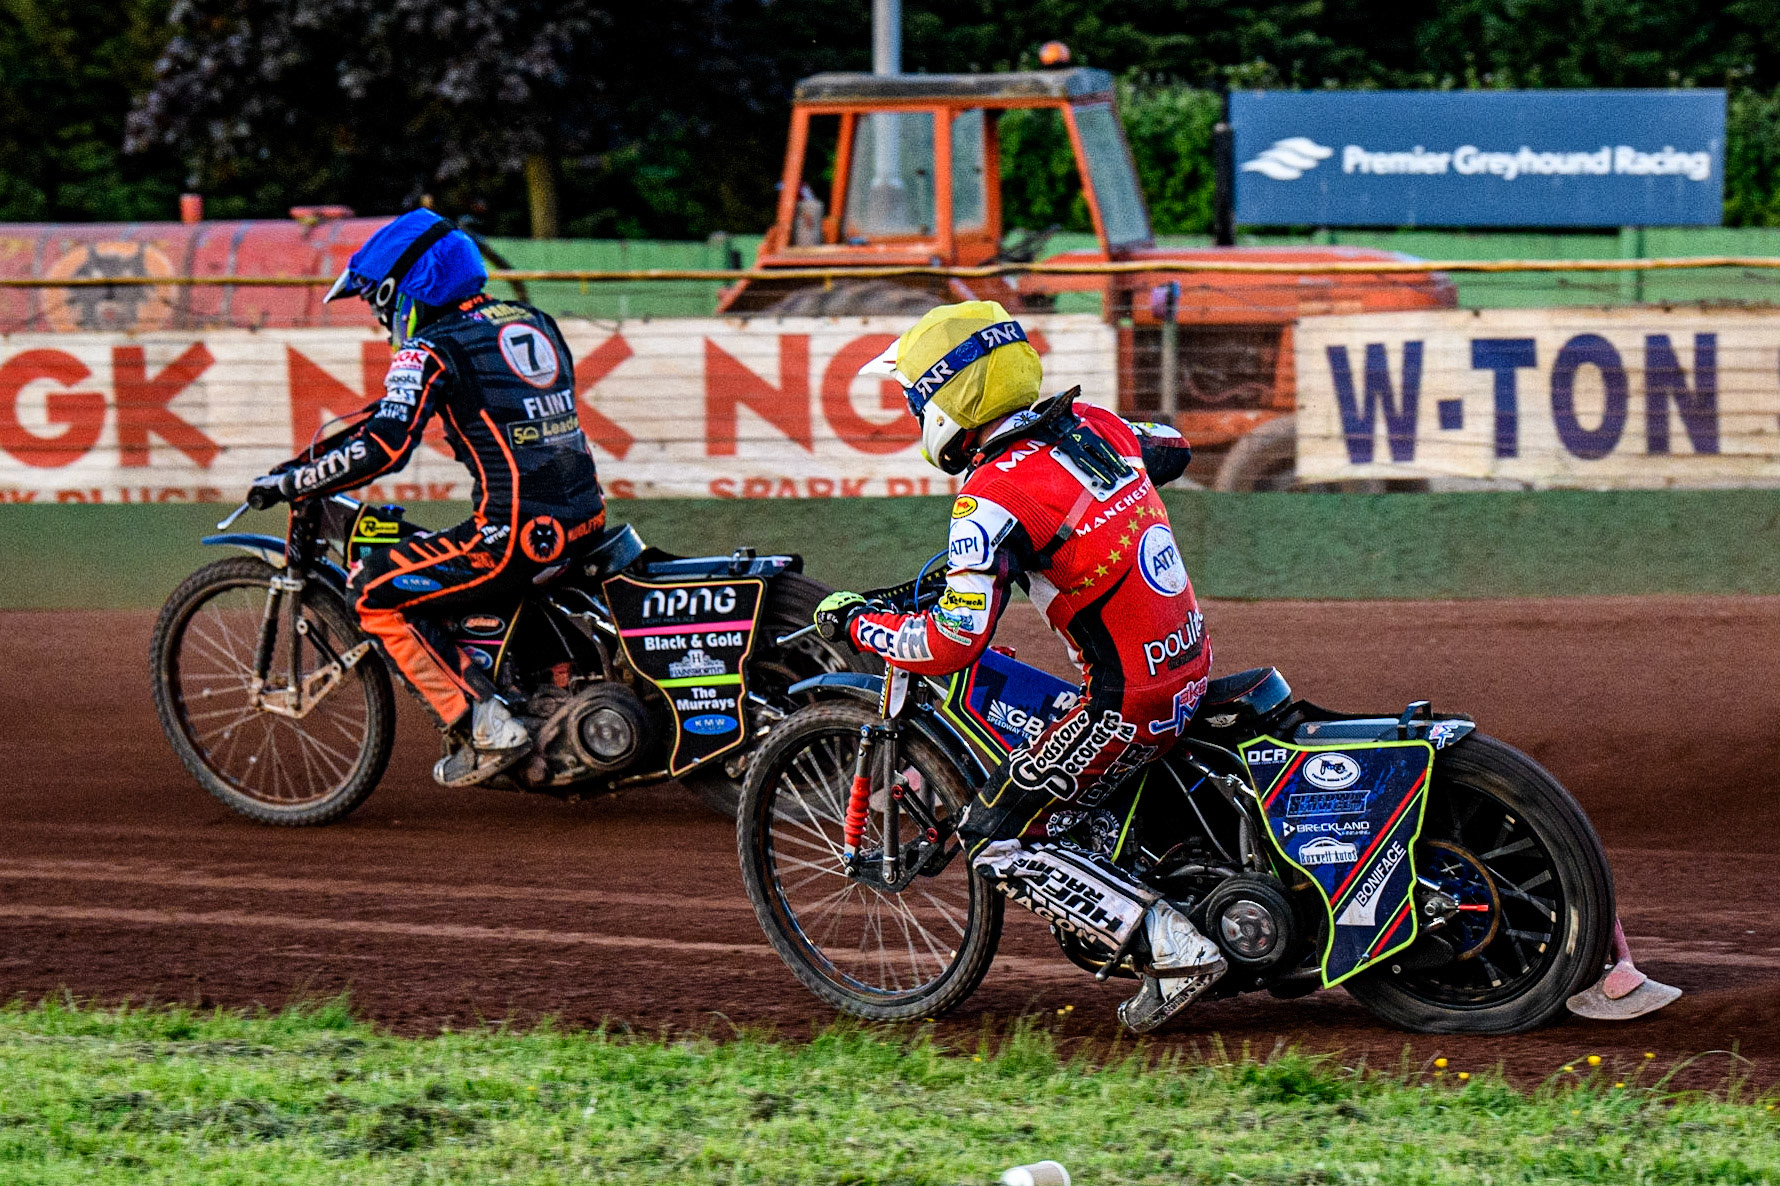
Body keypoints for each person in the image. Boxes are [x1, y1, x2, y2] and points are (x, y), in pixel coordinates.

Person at [812, 300, 1225, 1032]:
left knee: (993, 833)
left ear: (947, 402)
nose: (915, 415)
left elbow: (954, 640)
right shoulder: (1094, 424)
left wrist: (862, 626)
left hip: (1127, 704)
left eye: (916, 400)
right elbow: (1174, 445)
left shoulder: (991, 495)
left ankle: (1173, 946)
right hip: (1188, 666)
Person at [248, 209, 607, 787]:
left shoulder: (427, 351)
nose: (377, 318)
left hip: (513, 535)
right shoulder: (532, 320)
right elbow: (384, 423)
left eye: (377, 303)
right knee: (430, 556)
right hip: (585, 519)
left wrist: (297, 482)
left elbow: (382, 450)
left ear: (404, 290)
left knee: (372, 588)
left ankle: (487, 726)